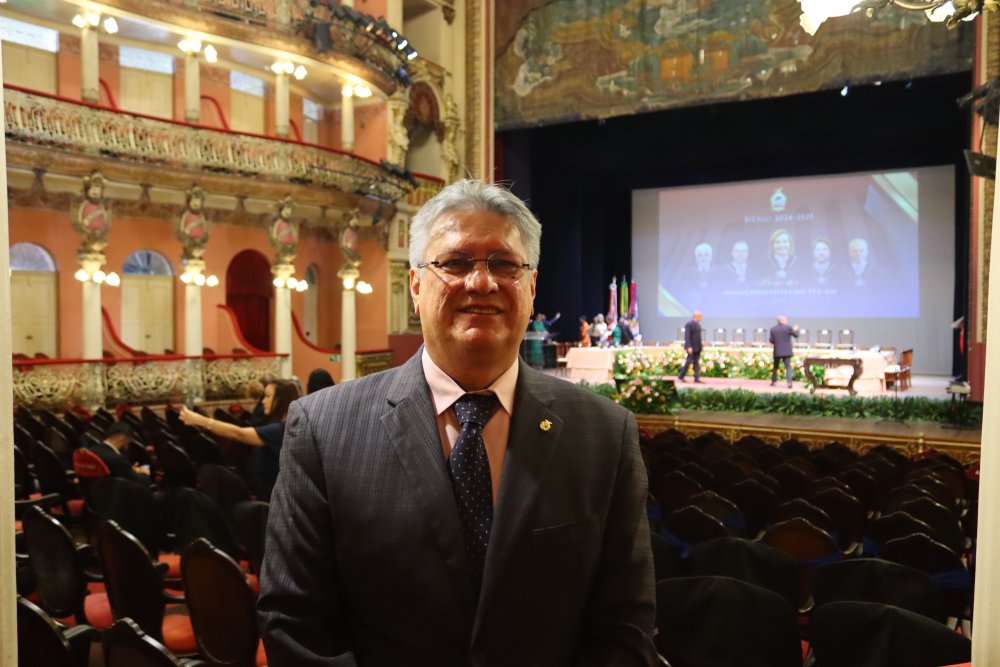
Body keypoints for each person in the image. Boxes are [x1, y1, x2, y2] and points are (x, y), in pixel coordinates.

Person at [258, 179, 657, 665]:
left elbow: (623, 627)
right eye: (456, 262)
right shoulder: (323, 429)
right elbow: (294, 625)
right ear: (416, 286)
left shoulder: (604, 434)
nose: (481, 281)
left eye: (504, 264)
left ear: (530, 289)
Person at [180, 379, 299, 501]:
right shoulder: (280, 425)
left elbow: (239, 434)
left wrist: (202, 421)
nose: (263, 401)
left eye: (268, 396)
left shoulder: (281, 429)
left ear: (281, 399)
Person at [85, 421, 151, 487]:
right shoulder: (116, 459)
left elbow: (120, 472)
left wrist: (129, 470)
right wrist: (144, 473)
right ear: (123, 438)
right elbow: (140, 483)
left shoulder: (91, 451)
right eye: (130, 439)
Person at [769, 314, 799, 388]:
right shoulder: (789, 328)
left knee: (775, 367)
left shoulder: (773, 329)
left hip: (777, 351)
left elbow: (771, 340)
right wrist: (796, 330)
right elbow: (796, 335)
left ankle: (774, 382)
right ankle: (789, 383)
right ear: (784, 320)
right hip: (787, 351)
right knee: (788, 367)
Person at [677, 311, 704, 383]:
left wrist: (701, 347)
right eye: (700, 316)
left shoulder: (698, 325)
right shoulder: (689, 324)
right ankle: (681, 376)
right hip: (691, 347)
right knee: (688, 362)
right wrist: (689, 346)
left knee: (696, 363)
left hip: (697, 347)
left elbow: (699, 338)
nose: (701, 318)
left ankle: (696, 378)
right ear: (696, 316)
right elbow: (687, 336)